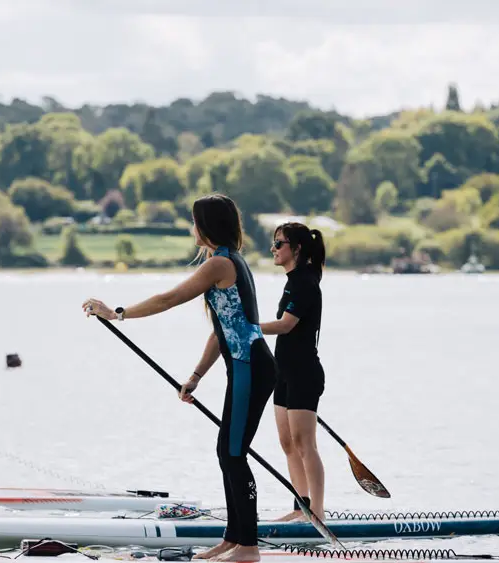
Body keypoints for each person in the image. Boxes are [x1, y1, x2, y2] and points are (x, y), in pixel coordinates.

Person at [82, 194, 275, 563]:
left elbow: (169, 298)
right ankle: (232, 539)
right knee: (227, 451)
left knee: (234, 454)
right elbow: (222, 330)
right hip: (247, 366)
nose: (191, 227)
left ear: (206, 225)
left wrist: (117, 313)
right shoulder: (229, 261)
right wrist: (196, 375)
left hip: (251, 367)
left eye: (194, 221)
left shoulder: (220, 263)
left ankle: (248, 547)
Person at [259, 222, 327, 523]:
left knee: (304, 443)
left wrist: (246, 327)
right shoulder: (292, 281)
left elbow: (286, 325)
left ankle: (317, 512)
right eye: (274, 243)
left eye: (279, 244)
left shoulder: (305, 282)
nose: (273, 249)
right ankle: (301, 507)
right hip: (283, 373)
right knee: (287, 444)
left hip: (304, 373)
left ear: (296, 249)